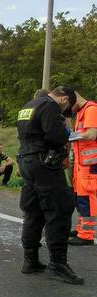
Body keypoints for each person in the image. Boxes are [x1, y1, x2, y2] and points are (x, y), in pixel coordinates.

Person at [17, 86, 83, 284]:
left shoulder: (29, 105)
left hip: (27, 161)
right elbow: (56, 136)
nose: (66, 110)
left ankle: (30, 260)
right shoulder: (50, 106)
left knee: (33, 210)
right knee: (59, 209)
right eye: (67, 106)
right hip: (44, 163)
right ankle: (58, 264)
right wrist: (65, 134)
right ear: (64, 98)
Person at [68, 91, 97, 246]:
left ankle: (87, 235)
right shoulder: (81, 111)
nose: (69, 110)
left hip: (90, 165)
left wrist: (71, 135)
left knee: (87, 200)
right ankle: (81, 229)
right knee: (80, 199)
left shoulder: (91, 109)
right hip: (82, 165)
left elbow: (91, 134)